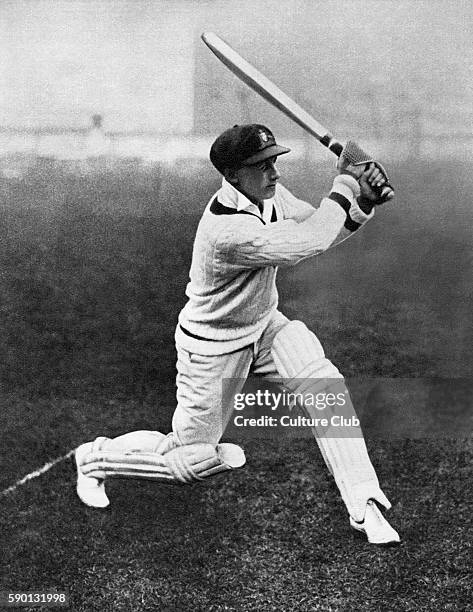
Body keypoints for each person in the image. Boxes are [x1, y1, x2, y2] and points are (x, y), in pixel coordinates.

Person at [75, 124, 400, 546]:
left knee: (324, 387)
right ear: (232, 175)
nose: (274, 174)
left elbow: (321, 227)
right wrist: (344, 183)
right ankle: (95, 458)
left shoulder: (269, 196)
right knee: (193, 459)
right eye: (261, 167)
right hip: (213, 347)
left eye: (273, 163)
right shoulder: (227, 232)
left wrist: (361, 205)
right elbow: (307, 242)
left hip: (264, 326)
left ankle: (364, 503)